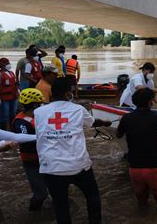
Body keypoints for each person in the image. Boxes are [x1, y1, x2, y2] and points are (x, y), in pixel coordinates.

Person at [34, 77, 112, 223]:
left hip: (51, 167)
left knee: (60, 205)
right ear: (67, 94)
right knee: (93, 197)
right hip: (79, 166)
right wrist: (106, 123)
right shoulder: (78, 109)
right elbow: (93, 122)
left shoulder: (39, 112)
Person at [116, 88, 157, 215]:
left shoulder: (126, 118)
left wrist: (122, 122)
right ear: (150, 102)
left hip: (134, 168)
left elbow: (118, 134)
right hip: (154, 167)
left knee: (142, 203)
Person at [12, 88, 48, 211]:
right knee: (41, 194)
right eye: (40, 103)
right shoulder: (21, 122)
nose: (42, 105)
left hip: (45, 159)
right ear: (34, 104)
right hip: (32, 162)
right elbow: (25, 141)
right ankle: (33, 213)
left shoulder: (38, 116)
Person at [0, 58, 18, 130]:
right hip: (4, 97)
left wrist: (19, 92)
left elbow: (15, 84)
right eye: (7, 63)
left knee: (13, 114)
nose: (9, 64)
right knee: (5, 115)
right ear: (3, 65)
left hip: (13, 96)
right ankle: (3, 130)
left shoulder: (11, 73)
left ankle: (13, 129)